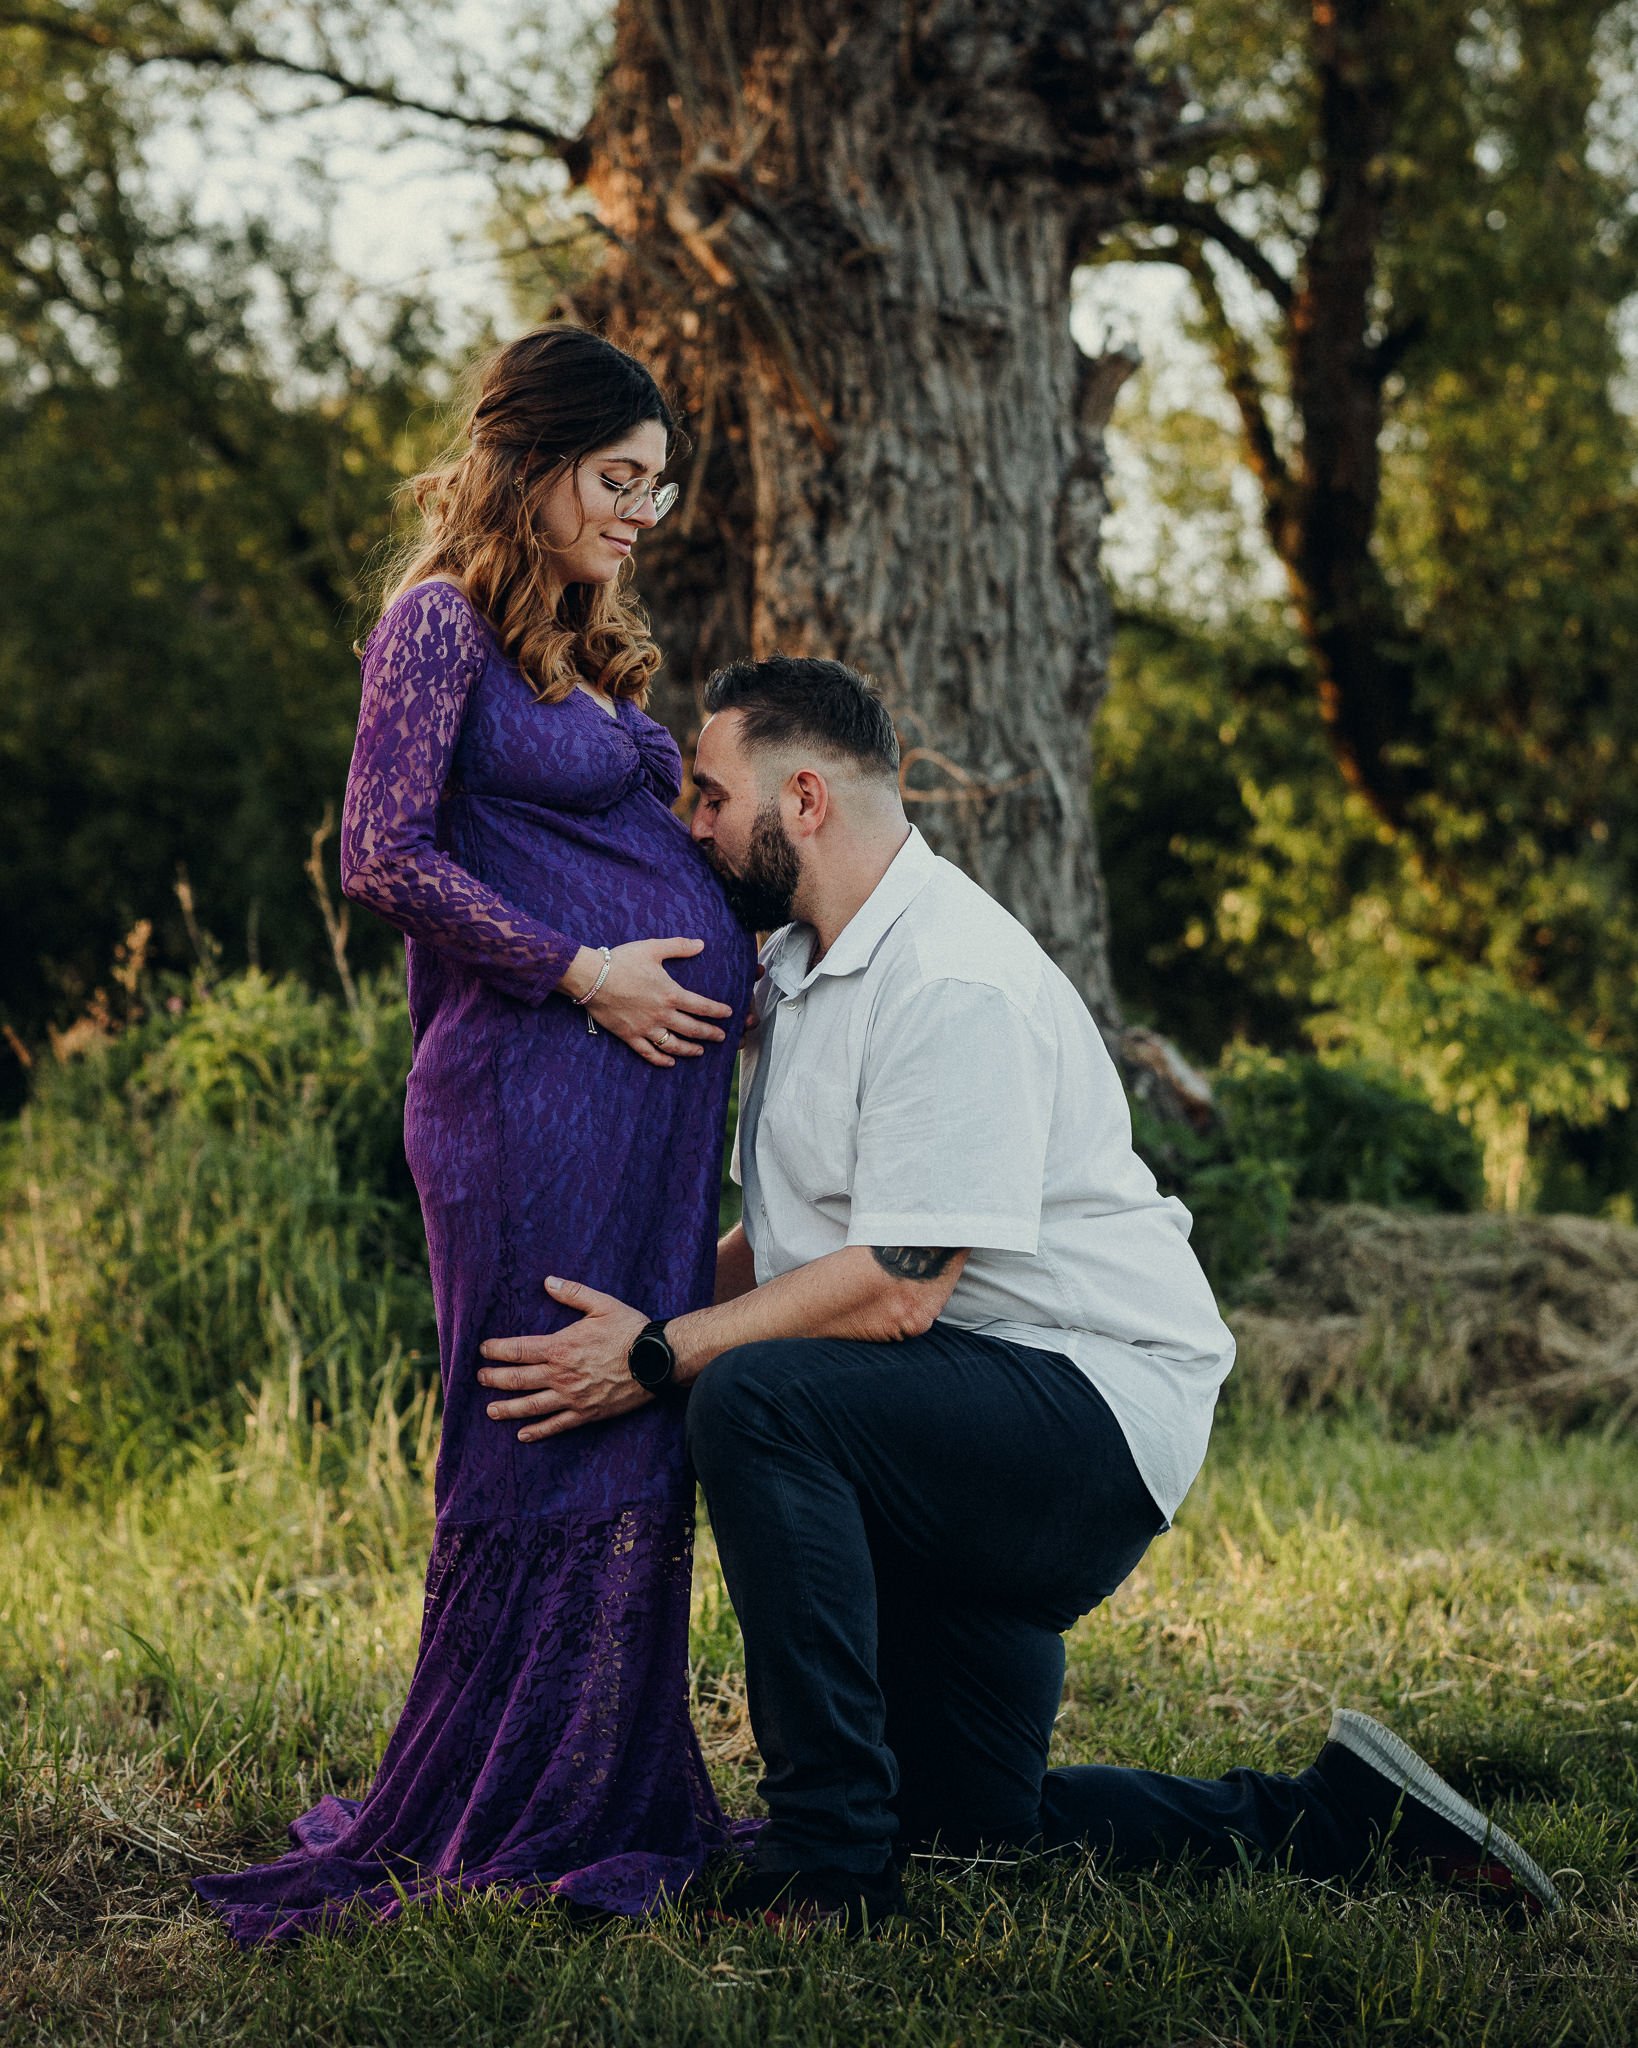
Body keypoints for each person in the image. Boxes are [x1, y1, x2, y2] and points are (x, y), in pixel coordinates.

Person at [476, 653, 1562, 1934]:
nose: (691, 824)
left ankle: (827, 1863)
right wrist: (635, 1321)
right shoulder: (811, 969)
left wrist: (666, 1354)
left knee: (754, 1400)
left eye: (710, 795)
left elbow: (897, 1290)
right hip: (954, 1421)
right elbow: (800, 1251)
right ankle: (1349, 1819)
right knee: (975, 1824)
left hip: (1082, 1417)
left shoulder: (950, 976)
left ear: (806, 798)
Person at [194, 327, 758, 1944]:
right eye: (618, 477)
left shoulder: (580, 644)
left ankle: (605, 1778)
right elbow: (379, 851)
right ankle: (496, 1790)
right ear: (532, 461)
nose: (643, 510)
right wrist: (581, 967)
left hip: (637, 1117)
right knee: (533, 1426)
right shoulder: (434, 621)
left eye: (656, 485)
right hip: (520, 1098)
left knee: (625, 1418)